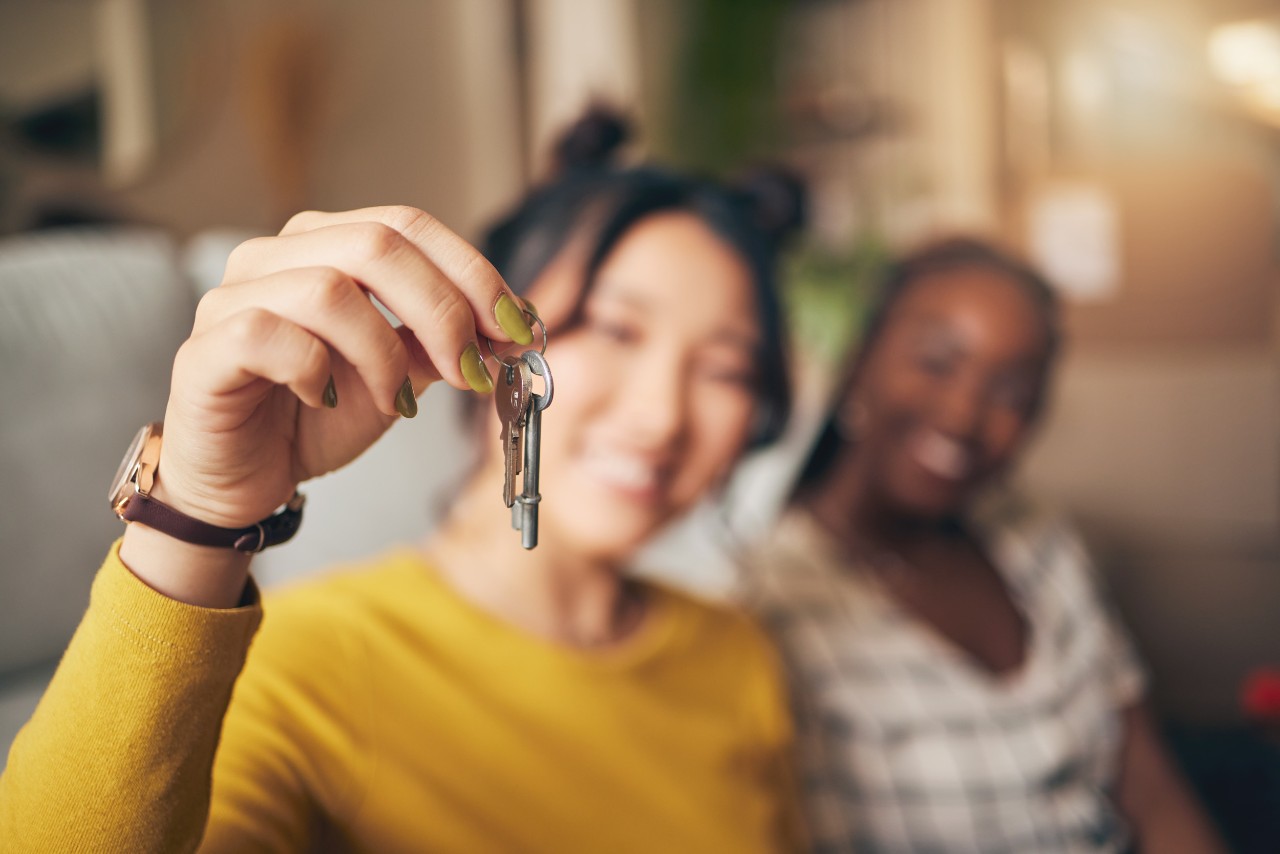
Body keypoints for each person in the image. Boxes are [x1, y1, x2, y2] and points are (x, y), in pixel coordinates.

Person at [0, 110, 808, 852]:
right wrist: (200, 517)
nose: (664, 415)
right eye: (615, 329)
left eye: (727, 369)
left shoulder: (736, 656)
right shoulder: (302, 660)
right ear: (501, 342)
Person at [745, 237, 1226, 853]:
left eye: (1012, 393)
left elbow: (1151, 790)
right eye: (936, 362)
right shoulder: (770, 600)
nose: (964, 414)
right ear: (861, 361)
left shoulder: (1040, 544)